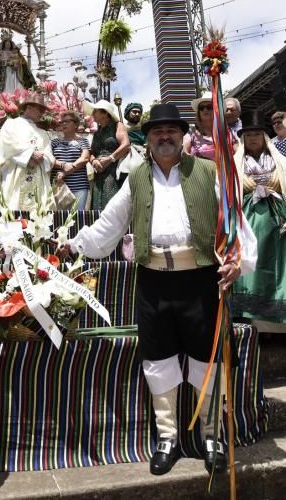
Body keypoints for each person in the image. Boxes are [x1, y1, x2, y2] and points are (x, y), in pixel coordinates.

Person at [58, 104, 256, 477]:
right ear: (146, 141)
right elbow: (107, 227)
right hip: (152, 281)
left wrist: (238, 259)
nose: (164, 137)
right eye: (156, 133)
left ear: (182, 137)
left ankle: (211, 436)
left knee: (207, 358)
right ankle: (167, 439)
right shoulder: (136, 179)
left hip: (201, 279)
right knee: (159, 360)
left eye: (171, 132)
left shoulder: (210, 172)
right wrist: (75, 245)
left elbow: (234, 222)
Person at [232, 110, 286, 333]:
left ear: (264, 136)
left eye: (257, 133)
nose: (252, 138)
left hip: (278, 222)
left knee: (278, 270)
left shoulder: (280, 161)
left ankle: (277, 327)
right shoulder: (235, 163)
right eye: (248, 134)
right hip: (247, 221)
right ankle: (250, 321)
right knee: (250, 269)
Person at [0, 92, 55, 210]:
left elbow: (49, 154)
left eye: (44, 110)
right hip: (16, 175)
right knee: (14, 208)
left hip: (39, 176)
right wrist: (29, 154)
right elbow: (8, 144)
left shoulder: (43, 133)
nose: (42, 113)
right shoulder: (11, 124)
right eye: (40, 109)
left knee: (39, 215)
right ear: (29, 107)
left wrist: (41, 158)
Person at [85, 100, 130, 210]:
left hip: (114, 171)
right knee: (97, 205)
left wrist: (110, 158)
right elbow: (91, 153)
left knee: (112, 204)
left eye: (95, 111)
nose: (92, 114)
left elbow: (126, 145)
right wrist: (94, 161)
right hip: (99, 172)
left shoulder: (117, 125)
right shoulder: (96, 133)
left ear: (105, 113)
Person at [51, 111, 91, 210]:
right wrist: (63, 165)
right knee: (58, 219)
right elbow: (50, 160)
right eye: (62, 122)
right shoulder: (54, 142)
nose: (64, 124)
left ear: (76, 124)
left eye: (67, 121)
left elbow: (85, 158)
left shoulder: (83, 141)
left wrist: (66, 171)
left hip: (79, 186)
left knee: (78, 218)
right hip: (58, 186)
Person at [183, 91, 237, 160]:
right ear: (198, 113)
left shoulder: (228, 132)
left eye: (209, 107)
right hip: (201, 169)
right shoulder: (191, 133)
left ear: (217, 110)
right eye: (201, 108)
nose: (205, 110)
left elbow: (238, 152)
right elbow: (184, 152)